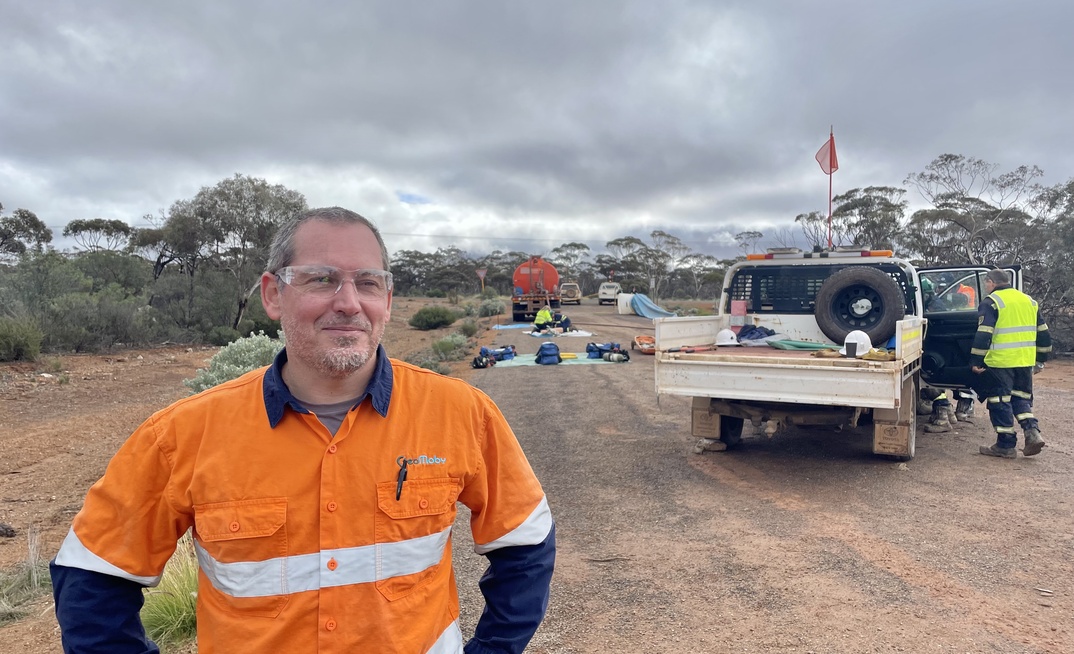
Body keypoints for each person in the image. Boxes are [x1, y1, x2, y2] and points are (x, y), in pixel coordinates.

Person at [50, 207, 556, 653]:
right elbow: (94, 574)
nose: (349, 302)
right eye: (320, 279)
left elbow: (525, 541)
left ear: (388, 298)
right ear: (273, 295)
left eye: (368, 282)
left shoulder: (461, 412)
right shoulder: (184, 433)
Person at [970, 269, 1051, 458]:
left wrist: (976, 360)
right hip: (1024, 361)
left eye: (986, 284)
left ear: (991, 282)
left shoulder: (992, 302)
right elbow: (1044, 333)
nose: (986, 287)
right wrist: (1041, 360)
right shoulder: (1029, 301)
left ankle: (1005, 445)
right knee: (1020, 398)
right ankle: (1032, 432)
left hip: (1000, 361)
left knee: (999, 400)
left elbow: (984, 334)